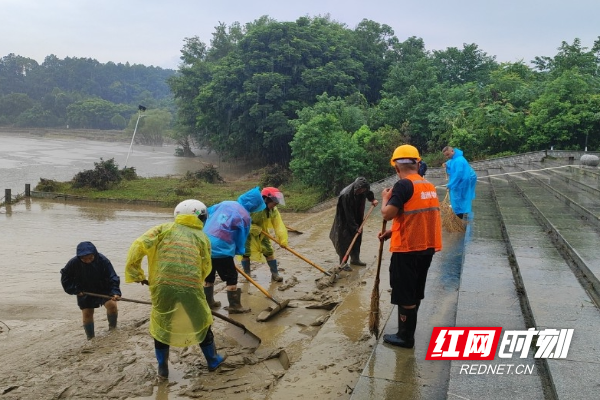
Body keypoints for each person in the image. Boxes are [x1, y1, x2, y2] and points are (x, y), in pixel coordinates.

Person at [124, 199, 226, 379]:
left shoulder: (162, 229)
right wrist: (196, 281)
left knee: (163, 323)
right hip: (190, 286)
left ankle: (162, 368)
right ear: (201, 218)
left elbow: (138, 246)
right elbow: (206, 265)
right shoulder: (202, 237)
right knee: (201, 321)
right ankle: (213, 360)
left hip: (161, 286)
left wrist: (137, 274)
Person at [378, 145, 442, 348]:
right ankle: (406, 332)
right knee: (414, 290)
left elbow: (388, 213)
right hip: (426, 247)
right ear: (418, 163)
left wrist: (385, 199)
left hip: (407, 250)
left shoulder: (403, 185)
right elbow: (416, 217)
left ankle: (406, 337)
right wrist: (391, 232)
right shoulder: (428, 186)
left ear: (396, 168)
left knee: (405, 292)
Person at [203, 187, 266, 313]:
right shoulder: (245, 216)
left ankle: (208, 302)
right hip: (222, 248)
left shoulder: (225, 203)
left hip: (204, 242)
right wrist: (236, 251)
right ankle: (234, 306)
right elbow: (241, 238)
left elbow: (207, 213)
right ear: (254, 205)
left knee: (208, 275)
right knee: (231, 277)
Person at [60, 241, 121, 340]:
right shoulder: (73, 263)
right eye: (84, 259)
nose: (88, 261)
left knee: (112, 306)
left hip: (103, 287)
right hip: (84, 290)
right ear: (79, 257)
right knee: (87, 313)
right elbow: (66, 278)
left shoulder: (103, 260)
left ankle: (113, 329)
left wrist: (115, 292)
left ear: (95, 254)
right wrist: (75, 290)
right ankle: (90, 338)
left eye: (90, 258)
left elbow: (112, 277)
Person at [329, 177, 379, 269]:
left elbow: (368, 193)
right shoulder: (346, 195)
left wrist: (372, 199)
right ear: (356, 188)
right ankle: (343, 263)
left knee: (357, 238)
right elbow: (348, 214)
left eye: (363, 190)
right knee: (344, 240)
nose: (361, 192)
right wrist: (355, 228)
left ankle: (355, 259)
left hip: (357, 216)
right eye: (359, 190)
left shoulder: (364, 188)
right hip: (344, 220)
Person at [242, 187, 288, 282]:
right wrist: (252, 227)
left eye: (276, 203)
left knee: (269, 251)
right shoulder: (255, 207)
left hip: (262, 232)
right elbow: (242, 220)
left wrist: (282, 240)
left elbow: (278, 224)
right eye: (274, 202)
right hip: (247, 232)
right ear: (266, 199)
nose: (275, 204)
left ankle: (275, 274)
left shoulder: (273, 210)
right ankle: (247, 275)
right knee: (245, 253)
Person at [442, 146, 477, 219]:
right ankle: (462, 214)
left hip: (461, 182)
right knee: (461, 198)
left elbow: (458, 175)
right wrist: (446, 164)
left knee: (458, 199)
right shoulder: (456, 158)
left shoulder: (459, 161)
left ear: (452, 151)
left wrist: (450, 185)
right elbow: (451, 162)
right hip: (461, 182)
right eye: (446, 156)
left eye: (448, 155)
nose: (447, 157)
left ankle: (459, 216)